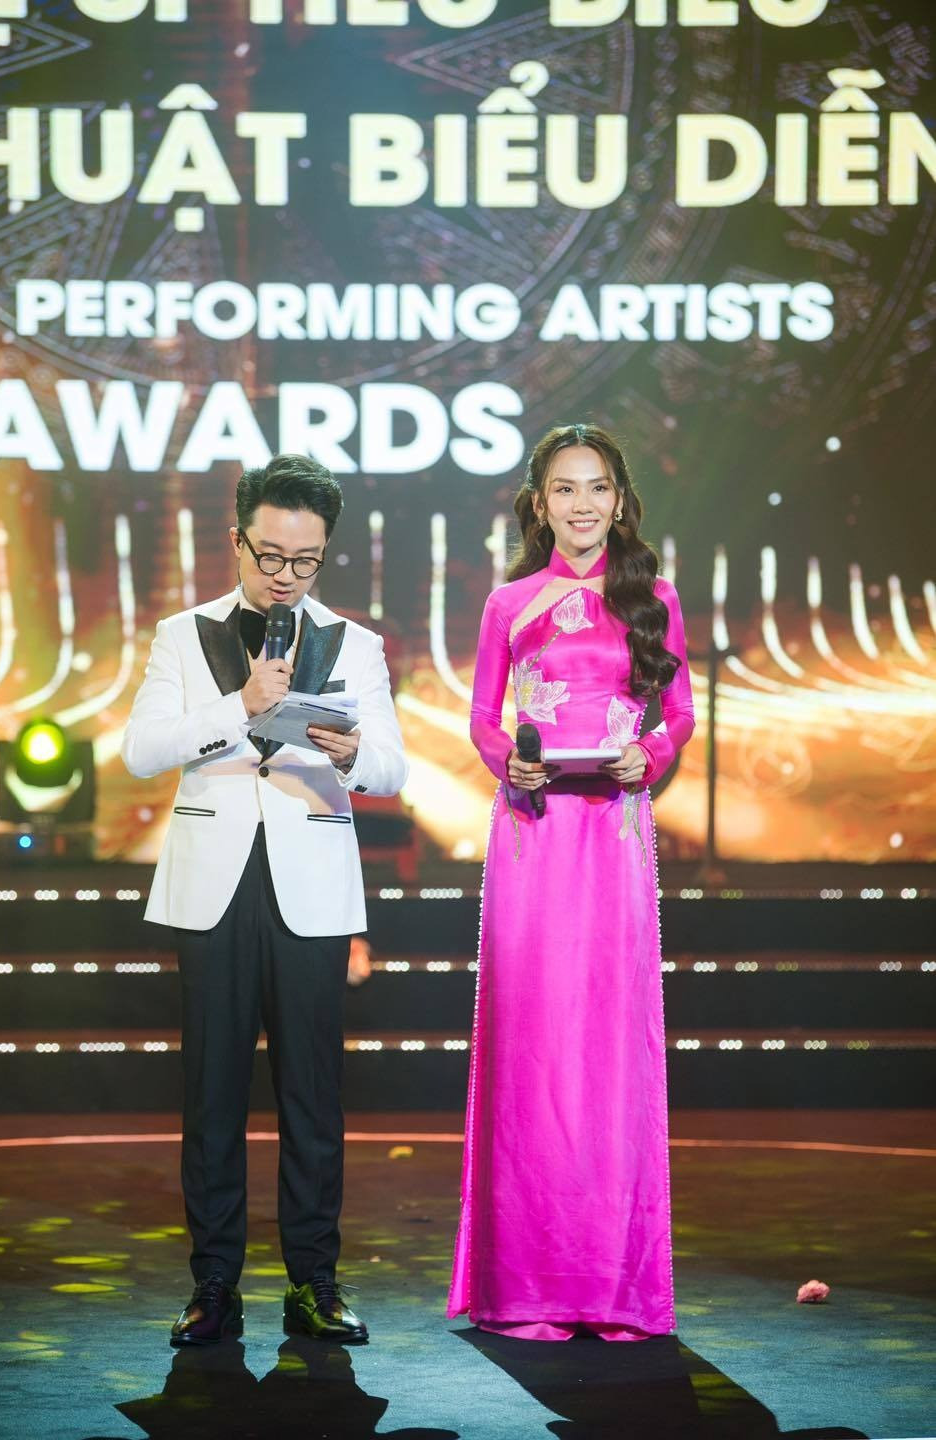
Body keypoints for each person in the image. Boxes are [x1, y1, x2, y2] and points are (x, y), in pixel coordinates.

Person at [123, 454, 408, 1347]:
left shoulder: (355, 643)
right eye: (271, 556)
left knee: (311, 1093)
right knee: (211, 1092)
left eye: (305, 560)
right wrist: (239, 704)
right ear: (238, 540)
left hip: (310, 885)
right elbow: (141, 750)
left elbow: (393, 765)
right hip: (213, 882)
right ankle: (213, 1284)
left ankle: (314, 1281)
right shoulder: (182, 634)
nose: (286, 575)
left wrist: (352, 752)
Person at [447, 422, 694, 1341]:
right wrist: (508, 762)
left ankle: (613, 1288)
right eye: (564, 488)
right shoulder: (510, 602)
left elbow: (678, 713)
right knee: (532, 1044)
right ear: (539, 504)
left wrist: (649, 756)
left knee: (608, 1047)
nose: (582, 504)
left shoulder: (653, 597)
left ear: (619, 500)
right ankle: (527, 1288)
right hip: (534, 833)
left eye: (597, 487)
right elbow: (484, 715)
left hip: (613, 832)